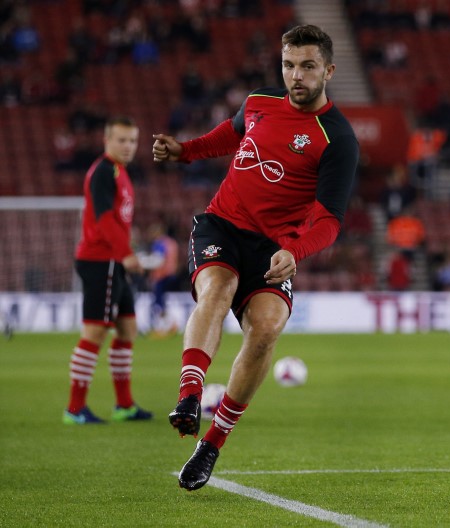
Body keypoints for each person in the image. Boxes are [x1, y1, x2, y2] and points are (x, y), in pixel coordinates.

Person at [152, 25, 359, 491]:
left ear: (328, 70)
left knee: (266, 329)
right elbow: (225, 137)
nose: (296, 76)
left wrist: (295, 249)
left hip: (273, 248)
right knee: (218, 289)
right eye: (288, 65)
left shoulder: (338, 139)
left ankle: (211, 444)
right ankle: (189, 395)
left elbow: (329, 221)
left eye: (307, 66)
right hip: (221, 225)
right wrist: (184, 151)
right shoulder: (259, 103)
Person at [65, 116, 153, 425]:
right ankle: (74, 409)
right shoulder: (103, 172)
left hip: (113, 261)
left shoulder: (120, 173)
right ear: (107, 141)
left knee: (127, 328)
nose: (128, 146)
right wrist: (126, 253)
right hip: (100, 260)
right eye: (121, 140)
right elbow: (103, 221)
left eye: (132, 141)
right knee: (95, 330)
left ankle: (124, 405)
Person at [143, 221, 180, 336]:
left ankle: (166, 326)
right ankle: (170, 325)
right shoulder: (172, 243)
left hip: (162, 276)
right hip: (172, 275)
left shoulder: (159, 243)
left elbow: (158, 260)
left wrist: (143, 263)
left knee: (158, 303)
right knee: (161, 302)